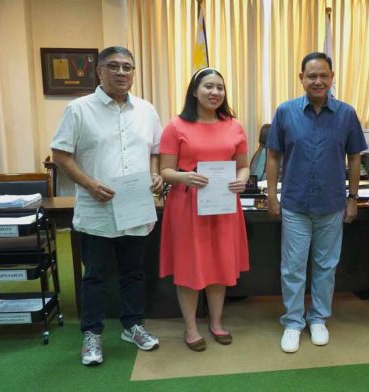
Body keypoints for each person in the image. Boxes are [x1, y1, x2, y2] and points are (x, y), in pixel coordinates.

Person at [51, 46, 162, 366]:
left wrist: (155, 174)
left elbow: (155, 149)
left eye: (128, 67)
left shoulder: (146, 110)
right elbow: (60, 154)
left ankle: (133, 325)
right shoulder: (78, 109)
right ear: (98, 71)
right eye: (113, 66)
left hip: (135, 206)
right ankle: (92, 334)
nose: (121, 73)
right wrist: (89, 183)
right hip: (97, 208)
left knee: (133, 273)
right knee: (96, 276)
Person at [266, 52, 368, 353]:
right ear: (301, 79)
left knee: (326, 265)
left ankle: (319, 318)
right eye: (312, 76)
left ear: (332, 77)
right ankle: (293, 322)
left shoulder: (346, 114)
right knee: (293, 267)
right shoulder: (285, 112)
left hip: (332, 204)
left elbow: (355, 157)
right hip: (295, 204)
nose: (318, 81)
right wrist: (272, 196)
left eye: (324, 75)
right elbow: (273, 155)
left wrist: (352, 198)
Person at [158, 67, 249, 352]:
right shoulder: (176, 126)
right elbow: (165, 171)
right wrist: (184, 176)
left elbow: (243, 165)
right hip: (187, 206)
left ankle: (217, 322)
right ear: (194, 91)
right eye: (208, 87)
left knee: (220, 264)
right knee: (189, 266)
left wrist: (242, 181)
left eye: (220, 88)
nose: (215, 92)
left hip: (223, 205)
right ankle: (190, 328)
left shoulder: (234, 125)